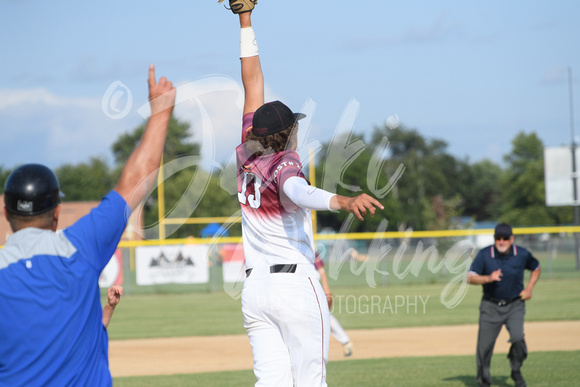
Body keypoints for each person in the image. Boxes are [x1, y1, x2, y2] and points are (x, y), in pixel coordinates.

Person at [230, 6, 384, 386]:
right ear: (287, 134)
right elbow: (295, 190)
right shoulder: (284, 161)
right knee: (311, 381)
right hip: (293, 285)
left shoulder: (246, 151)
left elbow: (252, 84)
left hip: (255, 292)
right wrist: (343, 201)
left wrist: (244, 21)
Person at [0, 65, 176, 386]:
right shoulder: (80, 247)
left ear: (5, 211)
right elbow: (137, 180)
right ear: (56, 212)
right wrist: (161, 111)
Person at [467, 223, 541, 387]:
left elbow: (536, 267)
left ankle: (516, 369)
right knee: (483, 348)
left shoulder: (521, 254)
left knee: (518, 338)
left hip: (515, 304)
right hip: (490, 305)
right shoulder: (485, 254)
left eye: (505, 238)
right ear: (494, 239)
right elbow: (470, 277)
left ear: (511, 239)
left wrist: (529, 289)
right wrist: (488, 278)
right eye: (498, 238)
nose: (501, 241)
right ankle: (484, 382)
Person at [314, 254, 353, 357]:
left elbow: (321, 270)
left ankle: (345, 341)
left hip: (312, 289)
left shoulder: (307, 246)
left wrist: (326, 289)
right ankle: (345, 341)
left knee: (324, 315)